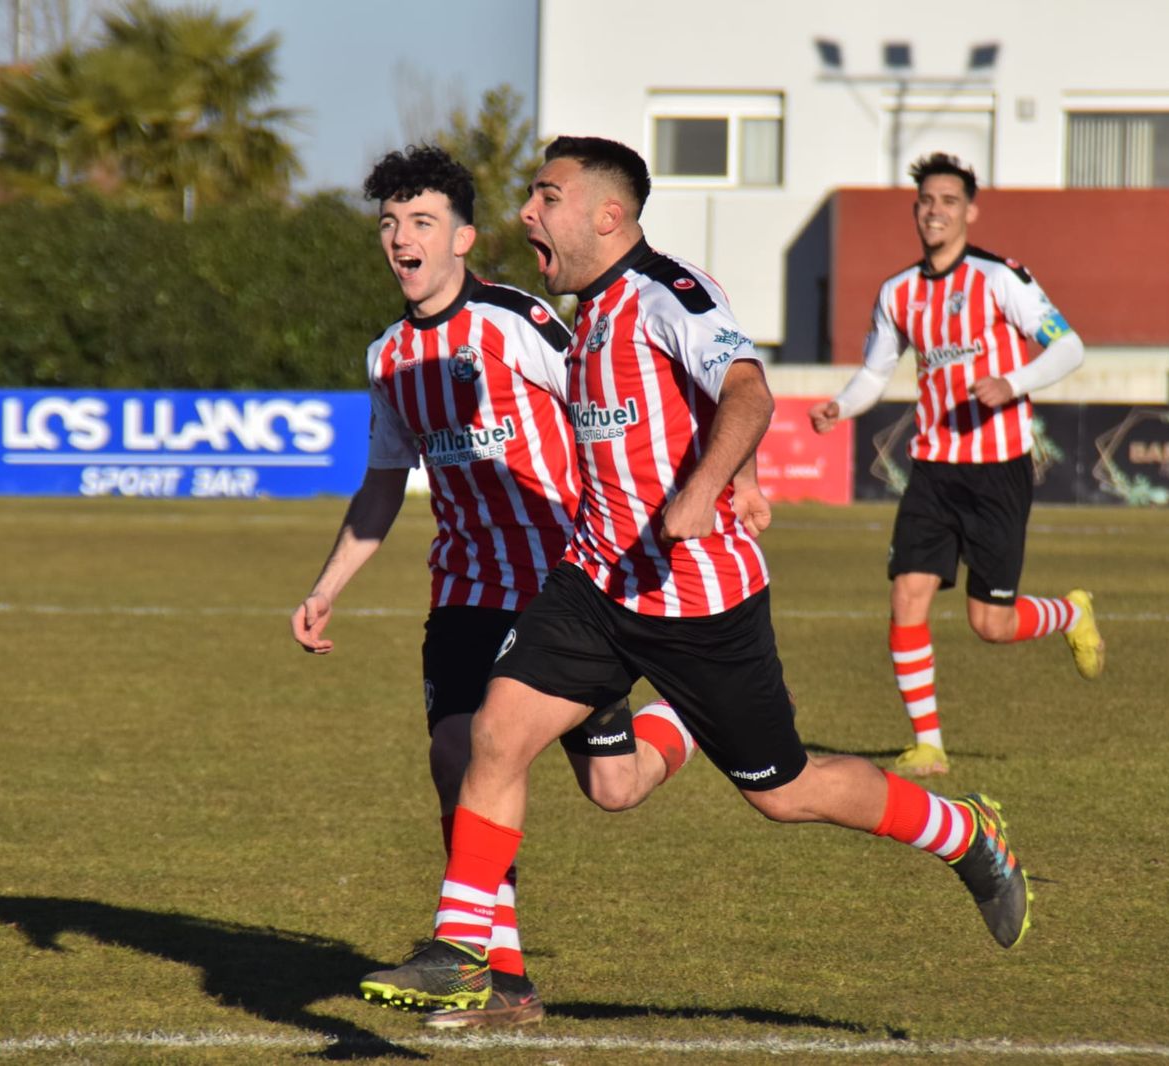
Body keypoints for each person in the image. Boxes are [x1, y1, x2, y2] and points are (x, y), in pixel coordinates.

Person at [357, 136, 1033, 1016]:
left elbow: (748, 389)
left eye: (545, 197)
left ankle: (964, 830)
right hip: (595, 585)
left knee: (784, 793)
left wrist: (711, 486)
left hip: (698, 600)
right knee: (495, 735)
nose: (528, 214)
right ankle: (463, 951)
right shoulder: (586, 313)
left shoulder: (669, 293)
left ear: (607, 215)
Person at [292, 145, 708, 1029]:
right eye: (390, 225)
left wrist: (709, 476)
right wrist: (328, 586)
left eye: (422, 223)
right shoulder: (388, 356)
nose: (402, 239)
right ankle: (502, 979)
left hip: (561, 587)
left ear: (464, 238)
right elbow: (380, 485)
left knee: (614, 789)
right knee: (459, 758)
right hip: (465, 592)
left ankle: (687, 714)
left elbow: (622, 397)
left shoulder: (522, 321)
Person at [809, 152, 1106, 778]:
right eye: (926, 201)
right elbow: (875, 372)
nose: (935, 210)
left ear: (970, 211)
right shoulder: (898, 292)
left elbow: (1070, 346)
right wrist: (841, 405)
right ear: (916, 212)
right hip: (934, 470)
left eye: (948, 200)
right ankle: (928, 745)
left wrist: (1014, 382)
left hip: (997, 468)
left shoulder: (1000, 278)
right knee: (906, 594)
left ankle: (1070, 612)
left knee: (990, 624)